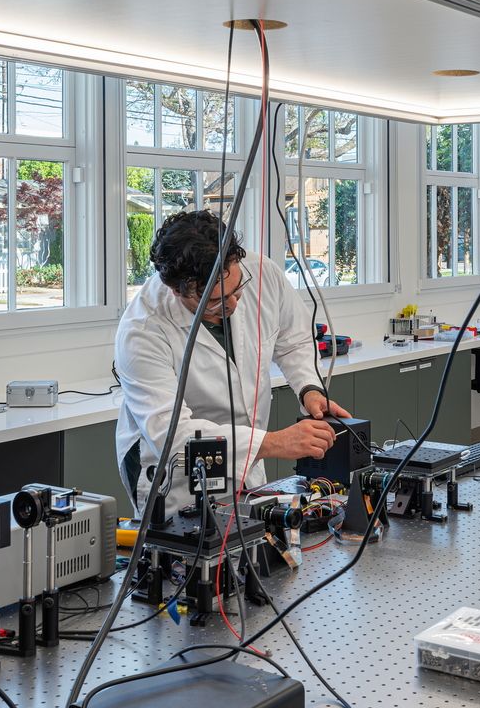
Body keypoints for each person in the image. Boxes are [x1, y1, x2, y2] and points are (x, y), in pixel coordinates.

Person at [114, 209, 351, 516]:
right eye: (215, 301)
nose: (234, 303)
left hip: (246, 456)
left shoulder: (263, 273)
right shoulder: (142, 330)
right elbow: (172, 436)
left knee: (250, 534)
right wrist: (274, 443)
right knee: (192, 539)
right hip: (175, 477)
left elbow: (294, 341)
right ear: (176, 290)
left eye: (237, 288)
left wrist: (309, 389)